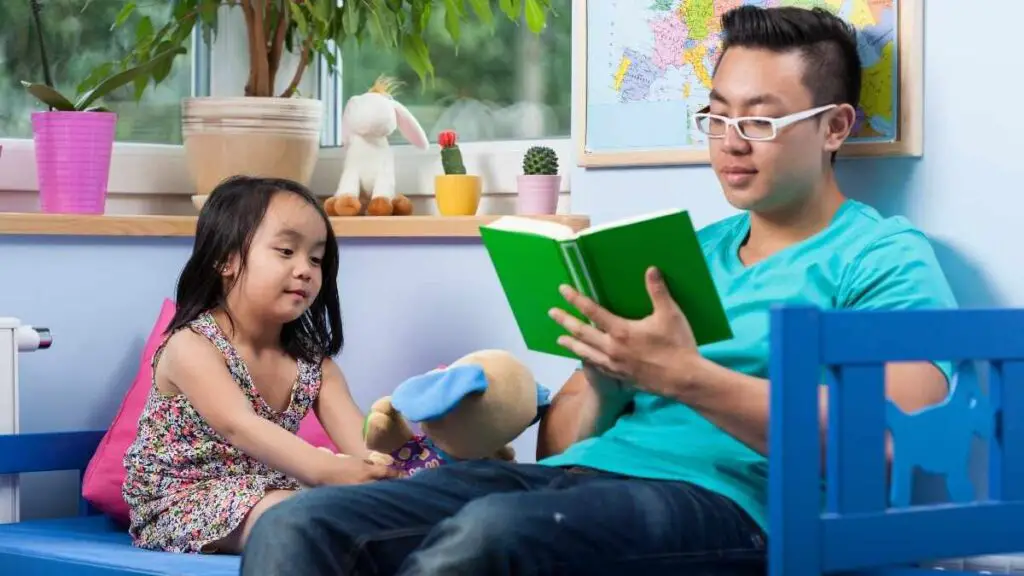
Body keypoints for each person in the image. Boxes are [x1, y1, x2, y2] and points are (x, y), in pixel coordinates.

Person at [239, 6, 957, 575]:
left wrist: (685, 376)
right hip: (580, 479)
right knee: (298, 524)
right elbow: (563, 441)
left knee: (489, 538)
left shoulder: (883, 257)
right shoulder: (678, 254)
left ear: (835, 127)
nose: (731, 140)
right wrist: (607, 375)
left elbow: (889, 439)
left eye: (761, 120)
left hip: (739, 506)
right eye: (716, 115)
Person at [121, 176, 397, 555]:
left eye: (316, 259)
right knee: (306, 517)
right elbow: (240, 426)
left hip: (273, 490)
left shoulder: (315, 365)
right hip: (186, 498)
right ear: (226, 259)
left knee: (363, 511)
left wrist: (397, 474)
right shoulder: (193, 345)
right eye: (286, 251)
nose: (305, 269)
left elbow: (363, 445)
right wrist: (326, 471)